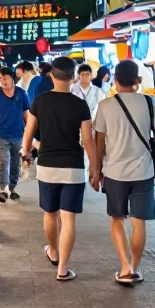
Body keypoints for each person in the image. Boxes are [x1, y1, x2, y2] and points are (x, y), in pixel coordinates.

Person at [92, 58, 155, 285]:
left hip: (115, 173)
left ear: (115, 81)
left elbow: (99, 141)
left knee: (117, 219)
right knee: (139, 222)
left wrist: (96, 169)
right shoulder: (148, 103)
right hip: (144, 173)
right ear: (137, 81)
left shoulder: (106, 106)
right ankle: (135, 268)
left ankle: (124, 267)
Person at [22, 56, 98, 281]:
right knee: (69, 219)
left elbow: (29, 132)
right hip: (74, 167)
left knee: (50, 213)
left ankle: (53, 251)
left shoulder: (40, 101)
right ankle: (63, 269)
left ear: (51, 76)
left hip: (47, 165)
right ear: (74, 77)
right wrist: (95, 168)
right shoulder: (80, 104)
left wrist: (26, 152)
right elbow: (88, 140)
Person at [0, 68, 30, 202]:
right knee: (3, 161)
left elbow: (26, 113)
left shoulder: (21, 93)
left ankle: (12, 188)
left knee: (15, 163)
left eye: (5, 78)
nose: (3, 81)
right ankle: (4, 190)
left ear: (12, 78)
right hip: (1, 133)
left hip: (18, 134)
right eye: (0, 79)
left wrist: (29, 131)